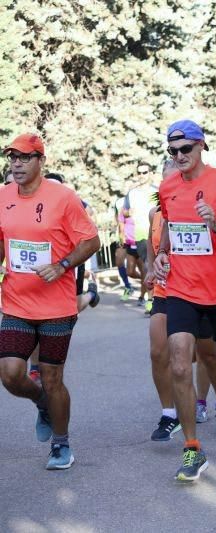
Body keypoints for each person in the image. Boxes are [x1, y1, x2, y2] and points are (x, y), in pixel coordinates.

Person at [151, 119, 216, 481]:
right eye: (173, 150)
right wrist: (162, 255)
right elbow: (169, 225)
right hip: (181, 289)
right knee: (179, 364)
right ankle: (193, 449)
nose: (179, 155)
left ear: (201, 147)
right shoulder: (167, 187)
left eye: (185, 149)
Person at [0, 133, 101, 469]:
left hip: (56, 307)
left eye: (24, 157)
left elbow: (91, 241)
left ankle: (61, 444)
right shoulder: (2, 197)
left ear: (40, 161)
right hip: (16, 302)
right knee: (11, 375)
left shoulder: (63, 198)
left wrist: (62, 266)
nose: (16, 163)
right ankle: (42, 403)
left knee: (52, 376)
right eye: (12, 157)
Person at [145, 159, 216, 442]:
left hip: (199, 290)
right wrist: (152, 266)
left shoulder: (204, 209)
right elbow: (153, 243)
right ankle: (169, 414)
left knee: (207, 355)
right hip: (166, 290)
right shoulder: (156, 214)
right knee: (159, 353)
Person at [123, 163, 159, 307]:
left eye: (145, 172)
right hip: (141, 235)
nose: (142, 175)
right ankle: (151, 301)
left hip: (159, 232)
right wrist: (128, 212)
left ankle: (156, 298)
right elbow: (124, 211)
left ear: (150, 173)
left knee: (158, 266)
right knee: (147, 266)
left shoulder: (157, 190)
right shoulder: (132, 193)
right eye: (139, 172)